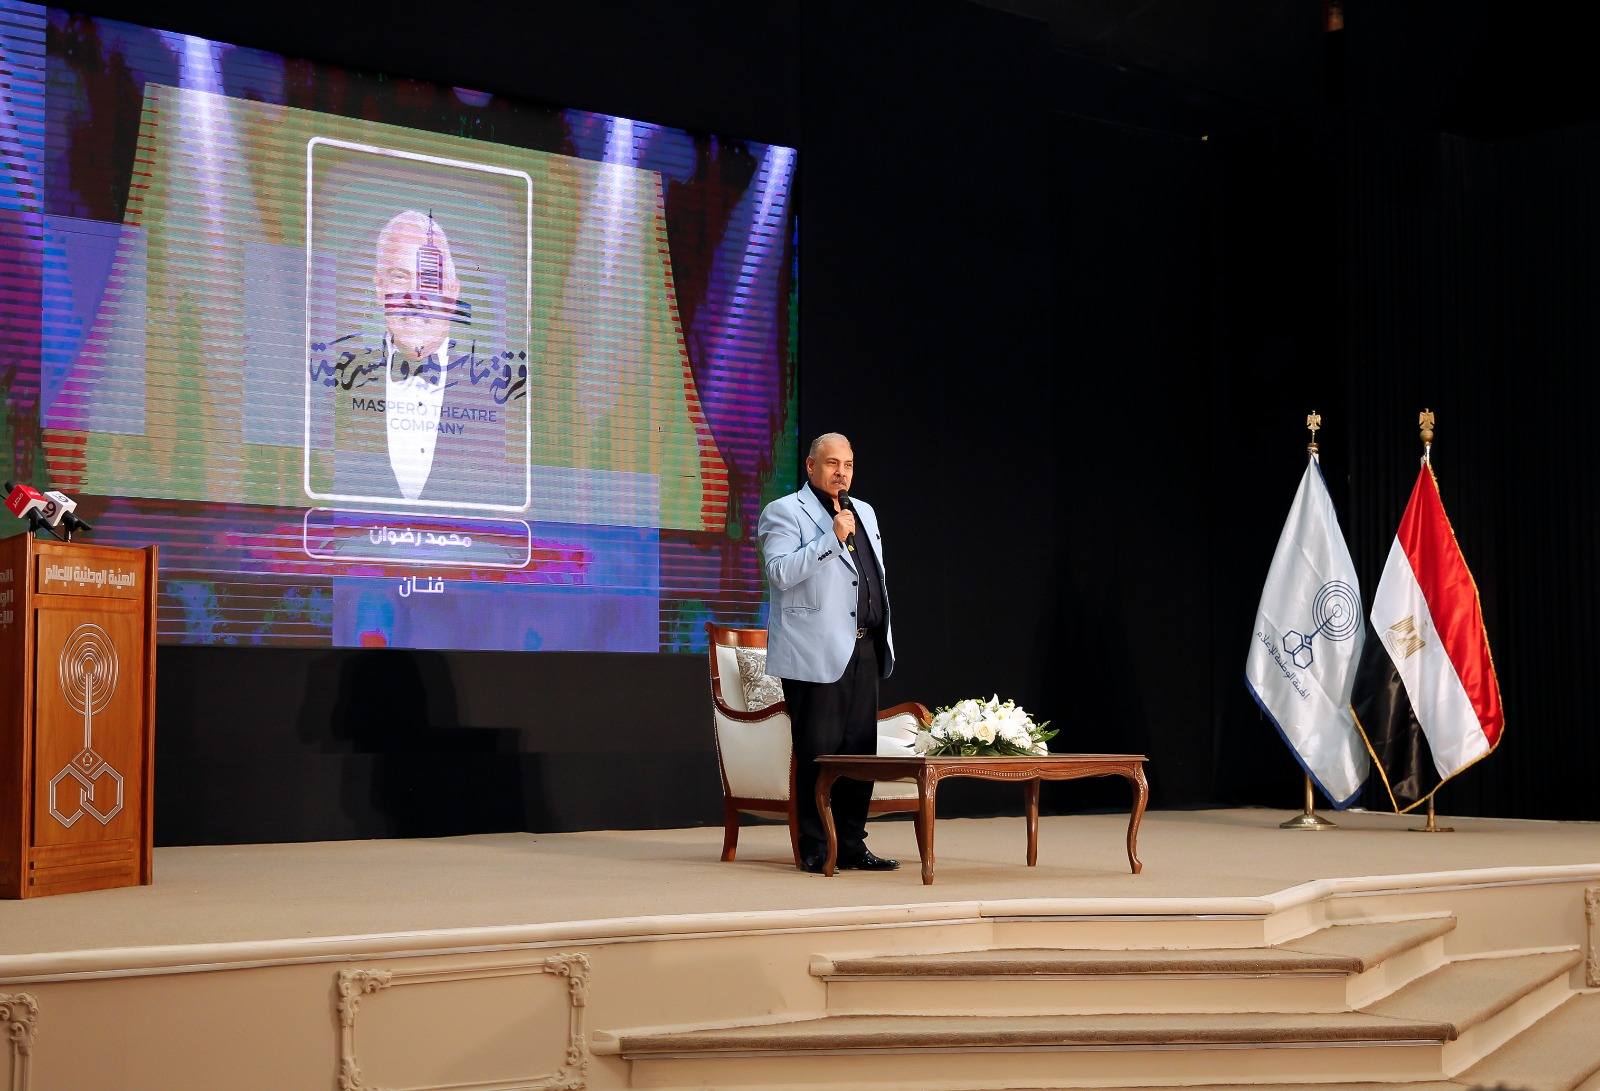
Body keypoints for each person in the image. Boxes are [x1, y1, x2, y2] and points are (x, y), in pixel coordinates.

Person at [758, 433, 899, 873]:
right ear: (810, 466)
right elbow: (780, 572)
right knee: (818, 752)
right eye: (832, 463)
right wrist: (831, 540)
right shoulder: (784, 511)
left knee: (859, 753)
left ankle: (852, 845)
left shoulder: (864, 511)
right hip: (812, 650)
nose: (842, 472)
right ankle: (816, 847)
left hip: (864, 646)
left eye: (848, 465)